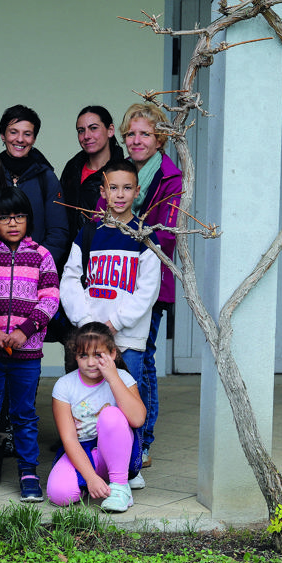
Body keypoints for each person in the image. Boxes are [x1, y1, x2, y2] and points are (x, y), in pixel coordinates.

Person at [95, 103, 181, 469]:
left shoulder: (170, 178)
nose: (136, 140)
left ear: (160, 138)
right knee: (112, 356)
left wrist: (125, 237)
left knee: (141, 361)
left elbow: (167, 236)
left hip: (148, 283)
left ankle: (141, 439)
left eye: (145, 133)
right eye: (130, 133)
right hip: (111, 282)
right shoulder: (119, 173)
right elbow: (100, 220)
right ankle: (107, 431)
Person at [60, 159, 161, 454]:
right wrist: (87, 324)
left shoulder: (144, 236)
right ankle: (93, 454)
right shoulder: (89, 233)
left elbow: (148, 291)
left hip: (127, 338)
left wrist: (115, 324)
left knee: (128, 398)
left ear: (137, 192)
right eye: (113, 188)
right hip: (91, 337)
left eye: (127, 188)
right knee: (92, 399)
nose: (119, 194)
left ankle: (132, 458)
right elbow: (70, 279)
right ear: (103, 191)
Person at [0, 187, 60, 503]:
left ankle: (28, 472)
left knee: (24, 414)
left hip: (27, 354)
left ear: (29, 219)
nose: (13, 223)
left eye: (19, 216)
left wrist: (26, 330)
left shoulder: (41, 255)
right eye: (4, 217)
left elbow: (50, 299)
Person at [47, 322, 145, 512]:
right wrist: (90, 478)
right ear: (75, 356)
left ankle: (120, 486)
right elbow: (69, 439)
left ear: (113, 354)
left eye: (98, 355)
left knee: (110, 415)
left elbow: (138, 419)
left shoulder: (123, 378)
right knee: (59, 494)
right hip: (84, 451)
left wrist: (113, 378)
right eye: (83, 355)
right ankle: (96, 481)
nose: (91, 363)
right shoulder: (64, 385)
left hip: (118, 450)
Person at [0, 104, 70, 269]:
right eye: (13, 132)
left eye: (27, 134)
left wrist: (38, 265)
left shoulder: (46, 177)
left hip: (35, 270)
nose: (20, 139)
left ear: (34, 139)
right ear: (3, 135)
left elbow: (58, 232)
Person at [59, 106, 126, 244]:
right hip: (70, 252)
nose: (86, 136)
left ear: (110, 130)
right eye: (81, 131)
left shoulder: (122, 172)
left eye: (93, 128)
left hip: (105, 251)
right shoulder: (72, 168)